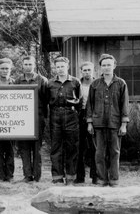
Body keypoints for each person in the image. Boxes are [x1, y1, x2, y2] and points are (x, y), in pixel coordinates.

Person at [86, 54, 129, 187]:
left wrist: (123, 125)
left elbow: (124, 105)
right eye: (103, 65)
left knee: (114, 152)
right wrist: (89, 122)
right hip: (98, 124)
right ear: (100, 67)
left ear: (114, 66)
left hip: (115, 124)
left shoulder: (121, 83)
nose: (106, 67)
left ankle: (114, 180)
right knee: (99, 153)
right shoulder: (95, 84)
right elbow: (90, 105)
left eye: (109, 65)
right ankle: (101, 179)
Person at [47, 56, 81, 185]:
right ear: (55, 68)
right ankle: (57, 177)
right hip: (55, 115)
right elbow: (46, 99)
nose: (60, 69)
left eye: (62, 66)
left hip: (71, 115)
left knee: (71, 147)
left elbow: (80, 100)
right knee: (56, 147)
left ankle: (71, 177)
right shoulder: (50, 83)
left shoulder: (75, 82)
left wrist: (75, 114)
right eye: (57, 67)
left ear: (67, 67)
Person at [14, 56, 48, 182]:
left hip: (37, 117)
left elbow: (46, 100)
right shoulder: (18, 80)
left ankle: (37, 175)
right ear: (22, 66)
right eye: (26, 64)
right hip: (22, 117)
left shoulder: (42, 80)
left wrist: (44, 118)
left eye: (30, 64)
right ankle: (27, 175)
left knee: (37, 147)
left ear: (34, 65)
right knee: (24, 147)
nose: (28, 66)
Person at [75, 61, 98, 184]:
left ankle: (95, 176)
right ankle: (80, 177)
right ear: (81, 71)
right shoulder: (77, 84)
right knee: (79, 147)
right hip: (80, 116)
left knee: (94, 147)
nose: (87, 72)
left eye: (89, 70)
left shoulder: (97, 84)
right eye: (84, 70)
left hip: (94, 117)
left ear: (93, 71)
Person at [0, 58, 15, 182]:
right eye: (2, 68)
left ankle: (10, 174)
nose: (4, 70)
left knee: (10, 150)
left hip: (11, 120)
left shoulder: (14, 83)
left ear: (10, 69)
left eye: (7, 68)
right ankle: (0, 174)